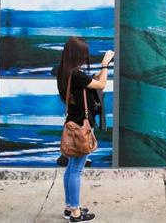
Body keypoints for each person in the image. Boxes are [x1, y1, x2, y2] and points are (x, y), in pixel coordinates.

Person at [56, 37, 114, 222]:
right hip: (82, 127)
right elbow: (102, 85)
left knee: (71, 168)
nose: (85, 57)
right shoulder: (77, 74)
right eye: (83, 54)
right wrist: (105, 65)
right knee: (76, 170)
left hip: (73, 123)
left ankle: (69, 206)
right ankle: (75, 212)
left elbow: (87, 83)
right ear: (77, 55)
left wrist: (96, 75)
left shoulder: (65, 72)